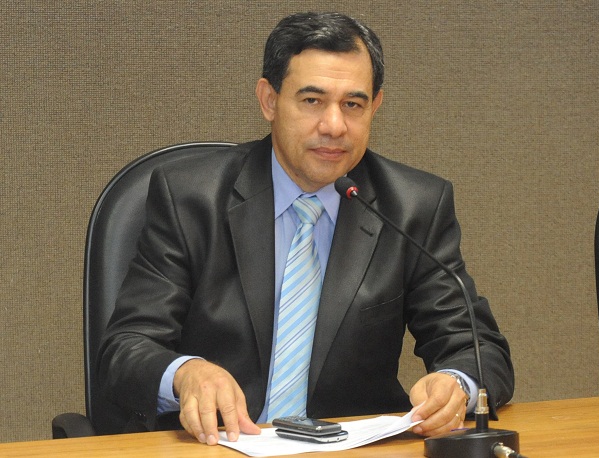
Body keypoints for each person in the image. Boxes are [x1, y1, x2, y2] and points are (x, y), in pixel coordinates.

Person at [98, 11, 514, 446]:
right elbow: (126, 347)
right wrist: (185, 374)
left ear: (375, 107)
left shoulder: (412, 207)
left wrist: (455, 384)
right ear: (269, 101)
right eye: (313, 100)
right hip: (215, 446)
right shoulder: (190, 198)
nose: (334, 126)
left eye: (353, 105)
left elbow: (478, 348)